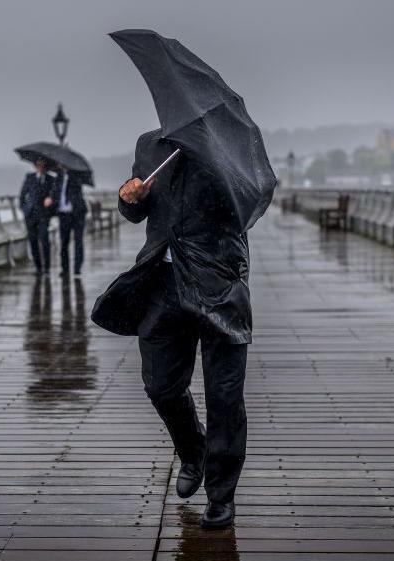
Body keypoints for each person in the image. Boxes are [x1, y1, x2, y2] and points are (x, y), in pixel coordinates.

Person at [91, 131, 253, 529]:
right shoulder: (150, 146)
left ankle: (220, 495)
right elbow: (136, 212)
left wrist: (213, 165)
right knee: (160, 385)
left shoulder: (228, 146)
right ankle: (192, 449)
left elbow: (247, 206)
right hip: (163, 283)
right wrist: (130, 197)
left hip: (219, 283)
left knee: (224, 397)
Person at [18, 158, 56, 274]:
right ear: (35, 166)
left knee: (44, 240)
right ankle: (38, 267)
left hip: (44, 215)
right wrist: (24, 210)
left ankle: (47, 267)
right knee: (33, 242)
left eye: (43, 165)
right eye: (38, 165)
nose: (40, 167)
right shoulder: (29, 177)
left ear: (45, 167)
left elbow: (55, 195)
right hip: (30, 215)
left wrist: (51, 201)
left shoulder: (51, 179)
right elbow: (22, 195)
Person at [52, 165, 88, 276]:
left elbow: (77, 192)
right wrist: (51, 199)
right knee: (64, 243)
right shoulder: (58, 178)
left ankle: (77, 268)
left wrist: (71, 177)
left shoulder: (76, 176)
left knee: (78, 242)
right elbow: (55, 193)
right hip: (63, 215)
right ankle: (65, 269)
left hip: (77, 214)